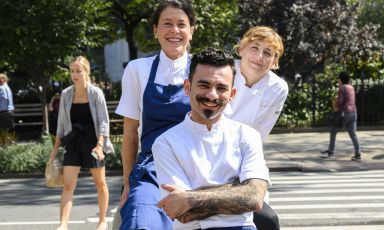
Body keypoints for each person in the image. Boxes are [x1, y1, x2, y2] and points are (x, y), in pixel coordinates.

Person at [153, 47, 270, 230]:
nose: (212, 95)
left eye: (221, 88)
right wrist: (237, 189)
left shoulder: (247, 136)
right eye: (204, 85)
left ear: (231, 95)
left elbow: (254, 198)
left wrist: (190, 198)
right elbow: (181, 212)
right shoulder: (165, 143)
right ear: (187, 87)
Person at [115, 1, 195, 229]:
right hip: (151, 169)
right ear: (155, 30)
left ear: (192, 31)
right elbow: (130, 134)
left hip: (195, 166)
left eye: (181, 24)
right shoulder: (137, 69)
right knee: (141, 223)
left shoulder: (203, 69)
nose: (174, 30)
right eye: (167, 23)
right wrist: (128, 184)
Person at [224, 26, 288, 230]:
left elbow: (257, 136)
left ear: (274, 61)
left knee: (266, 220)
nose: (259, 57)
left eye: (268, 52)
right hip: (205, 155)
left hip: (244, 162)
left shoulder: (277, 88)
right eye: (254, 47)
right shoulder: (222, 71)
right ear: (241, 48)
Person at [50, 56, 114, 230]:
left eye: (78, 70)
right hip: (73, 140)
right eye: (72, 71)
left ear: (86, 71)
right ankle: (63, 224)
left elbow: (103, 122)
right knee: (68, 185)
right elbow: (61, 124)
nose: (75, 74)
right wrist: (55, 150)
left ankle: (102, 221)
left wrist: (100, 145)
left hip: (94, 142)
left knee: (100, 183)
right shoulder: (66, 94)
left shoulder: (96, 93)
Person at [321, 71, 361, 161]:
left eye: (338, 79)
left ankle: (330, 152)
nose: (338, 81)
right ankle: (358, 154)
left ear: (341, 79)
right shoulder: (351, 87)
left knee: (333, 131)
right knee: (353, 134)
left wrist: (335, 103)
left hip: (344, 113)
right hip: (353, 113)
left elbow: (340, 102)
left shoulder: (342, 88)